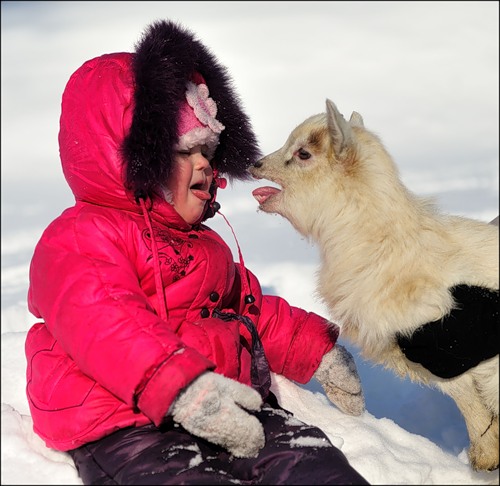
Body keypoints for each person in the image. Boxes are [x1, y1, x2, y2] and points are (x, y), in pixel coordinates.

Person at [25, 19, 369, 485]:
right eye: (185, 151)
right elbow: (103, 319)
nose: (204, 163)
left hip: (227, 402)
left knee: (313, 464)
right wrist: (182, 389)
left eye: (208, 150)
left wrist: (314, 349)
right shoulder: (82, 236)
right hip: (126, 421)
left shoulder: (206, 247)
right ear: (136, 155)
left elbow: (247, 312)